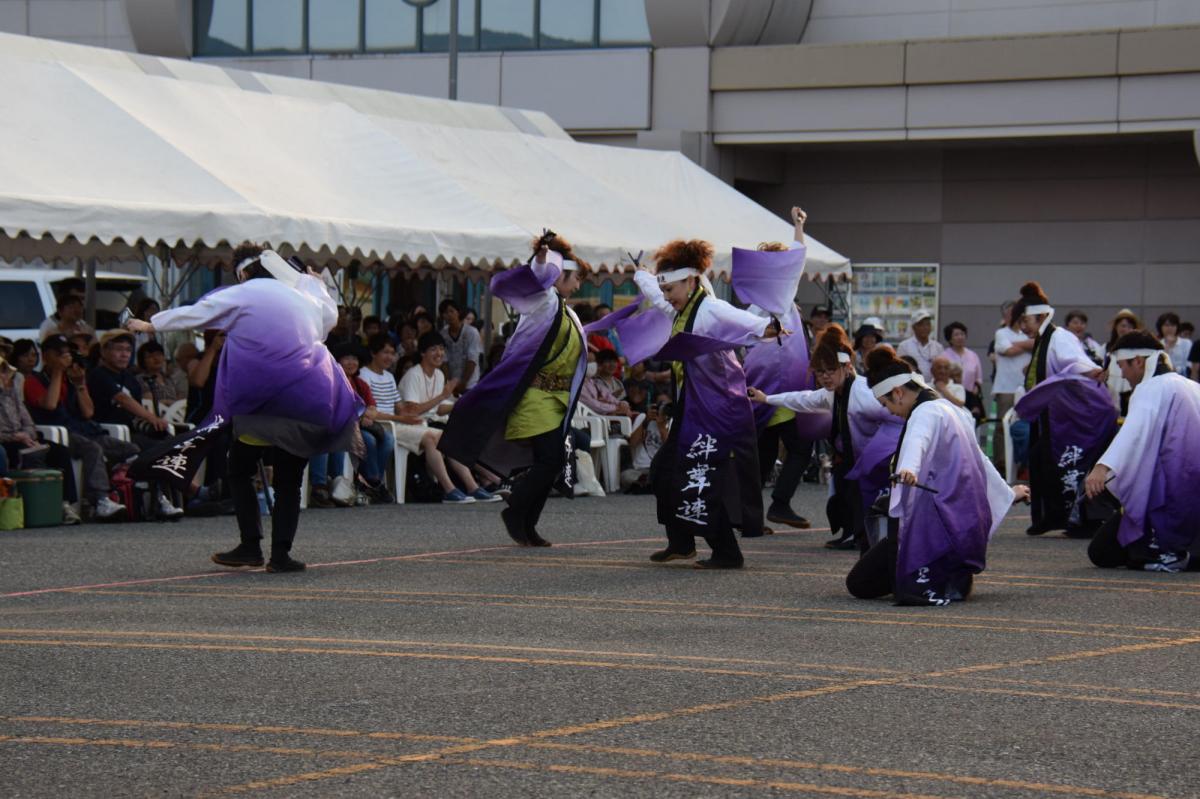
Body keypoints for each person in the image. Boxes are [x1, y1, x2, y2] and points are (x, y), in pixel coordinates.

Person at [125, 245, 364, 572]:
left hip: (261, 400)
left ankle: (250, 545)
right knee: (289, 478)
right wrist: (311, 281)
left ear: (242, 272)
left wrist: (152, 325)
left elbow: (200, 311)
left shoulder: (243, 293)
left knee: (239, 467)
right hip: (309, 395)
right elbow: (328, 316)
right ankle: (280, 555)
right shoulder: (305, 297)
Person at [632, 238, 779, 569]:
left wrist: (770, 327)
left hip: (716, 409)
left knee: (700, 476)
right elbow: (657, 298)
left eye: (672, 288)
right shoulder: (682, 307)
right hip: (694, 405)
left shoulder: (710, 309)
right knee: (665, 471)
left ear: (692, 280)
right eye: (665, 289)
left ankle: (726, 551)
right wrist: (641, 275)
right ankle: (682, 543)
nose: (668, 296)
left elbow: (751, 325)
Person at [439, 231, 591, 547]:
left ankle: (526, 523)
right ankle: (516, 511)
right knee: (550, 462)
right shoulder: (543, 300)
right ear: (559, 273)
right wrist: (542, 258)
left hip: (556, 401)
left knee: (552, 464)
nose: (578, 286)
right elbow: (536, 276)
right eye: (576, 278)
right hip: (536, 397)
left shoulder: (566, 311)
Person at [845, 348, 1022, 605]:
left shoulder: (924, 413)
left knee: (859, 584)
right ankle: (951, 576)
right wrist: (1008, 491)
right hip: (952, 520)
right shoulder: (950, 409)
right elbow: (979, 459)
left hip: (927, 521)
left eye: (886, 404)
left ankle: (937, 577)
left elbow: (918, 440)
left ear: (898, 393)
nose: (890, 411)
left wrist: (908, 469)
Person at [750, 326, 899, 551]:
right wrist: (766, 398)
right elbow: (805, 399)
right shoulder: (832, 392)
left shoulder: (864, 395)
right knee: (841, 493)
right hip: (854, 455)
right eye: (820, 372)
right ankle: (852, 534)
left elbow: (897, 413)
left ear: (846, 367)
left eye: (830, 370)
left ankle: (862, 539)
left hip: (877, 458)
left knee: (859, 497)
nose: (825, 377)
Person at [1084, 331, 1200, 571]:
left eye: (1122, 366)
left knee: (1101, 551)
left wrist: (1102, 467)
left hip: (1167, 495)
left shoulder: (1150, 388)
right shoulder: (1192, 386)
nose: (1123, 374)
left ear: (1138, 361)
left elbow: (1134, 432)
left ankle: (1173, 554)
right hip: (1192, 494)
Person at [1012, 282, 1110, 537]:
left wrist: (1093, 372)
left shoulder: (1059, 337)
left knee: (1061, 463)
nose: (1023, 327)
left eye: (1025, 320)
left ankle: (1072, 519)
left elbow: (1075, 363)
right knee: (1040, 459)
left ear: (1042, 316)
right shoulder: (1045, 339)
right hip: (1052, 415)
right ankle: (1050, 517)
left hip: (1068, 417)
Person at [738, 207, 813, 530]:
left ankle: (749, 516)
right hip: (781, 381)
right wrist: (797, 227)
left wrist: (798, 227)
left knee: (765, 452)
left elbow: (797, 256)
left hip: (761, 379)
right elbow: (798, 258)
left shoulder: (756, 301)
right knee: (799, 447)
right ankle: (778, 504)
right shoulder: (781, 296)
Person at [24, 335, 132, 521]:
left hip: (82, 429)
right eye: (59, 354)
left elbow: (88, 412)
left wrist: (80, 384)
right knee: (92, 449)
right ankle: (100, 500)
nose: (65, 358)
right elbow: (49, 404)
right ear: (46, 356)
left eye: (67, 354)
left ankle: (134, 497)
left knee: (130, 449)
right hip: (58, 434)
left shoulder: (71, 378)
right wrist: (57, 372)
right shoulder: (33, 381)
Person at [397, 331, 499, 503]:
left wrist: (460, 405)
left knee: (463, 433)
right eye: (433, 350)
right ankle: (465, 486)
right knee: (450, 437)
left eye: (441, 349)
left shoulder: (439, 374)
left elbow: (438, 410)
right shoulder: (413, 375)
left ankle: (474, 485)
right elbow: (412, 411)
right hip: (414, 424)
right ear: (422, 353)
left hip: (430, 423)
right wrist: (443, 396)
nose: (439, 354)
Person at [0, 354, 81, 524]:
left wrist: (28, 436)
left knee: (59, 451)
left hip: (24, 439)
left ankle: (65, 504)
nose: (3, 376)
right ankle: (18, 506)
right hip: (6, 441)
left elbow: (28, 422)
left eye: (4, 372)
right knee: (15, 453)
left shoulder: (11, 394)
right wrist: (15, 436)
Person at [991, 301, 1032, 472]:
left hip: (1028, 387)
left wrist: (1019, 344)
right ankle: (1001, 463)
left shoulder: (1029, 333)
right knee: (1003, 426)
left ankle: (1022, 462)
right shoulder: (1001, 333)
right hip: (1005, 387)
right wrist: (1026, 344)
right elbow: (1007, 351)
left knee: (1026, 425)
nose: (1012, 316)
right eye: (1009, 313)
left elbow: (1034, 344)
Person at [439, 299, 483, 394]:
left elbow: (472, 359)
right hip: (451, 385)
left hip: (470, 384)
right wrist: (448, 384)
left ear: (458, 312)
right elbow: (444, 361)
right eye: (445, 312)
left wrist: (463, 382)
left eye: (451, 311)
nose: (449, 315)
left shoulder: (472, 332)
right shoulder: (443, 335)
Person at [1103, 309, 1140, 414]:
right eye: (1123, 326)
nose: (1126, 329)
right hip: (1110, 389)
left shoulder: (1138, 349)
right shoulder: (1106, 348)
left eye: (1130, 326)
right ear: (1116, 327)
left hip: (1131, 390)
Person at [580, 350, 635, 417]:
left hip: (610, 416)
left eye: (614, 361)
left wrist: (623, 404)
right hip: (593, 420)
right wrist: (616, 408)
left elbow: (608, 396)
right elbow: (594, 405)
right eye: (591, 363)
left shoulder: (593, 383)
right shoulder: (580, 386)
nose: (612, 364)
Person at [896, 310, 944, 382]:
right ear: (914, 327)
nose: (925, 327)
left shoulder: (938, 347)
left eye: (928, 324)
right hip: (912, 387)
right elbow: (900, 369)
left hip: (933, 387)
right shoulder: (904, 346)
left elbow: (942, 367)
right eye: (921, 325)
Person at [135, 341, 181, 412]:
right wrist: (169, 403)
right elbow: (148, 404)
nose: (156, 358)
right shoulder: (141, 379)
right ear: (143, 361)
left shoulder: (169, 378)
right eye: (150, 356)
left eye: (159, 354)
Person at [941, 322, 981, 397]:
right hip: (950, 395)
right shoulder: (943, 356)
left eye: (962, 334)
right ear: (949, 339)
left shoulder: (973, 355)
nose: (960, 337)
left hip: (970, 396)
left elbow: (978, 378)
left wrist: (976, 389)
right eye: (956, 335)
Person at [1155, 312, 1192, 377]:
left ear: (1177, 327)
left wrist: (1176, 369)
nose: (1169, 328)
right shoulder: (1157, 344)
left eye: (1172, 325)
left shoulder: (1186, 343)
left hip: (1184, 379)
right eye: (1166, 325)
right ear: (1160, 327)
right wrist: (1167, 348)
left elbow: (1190, 365)